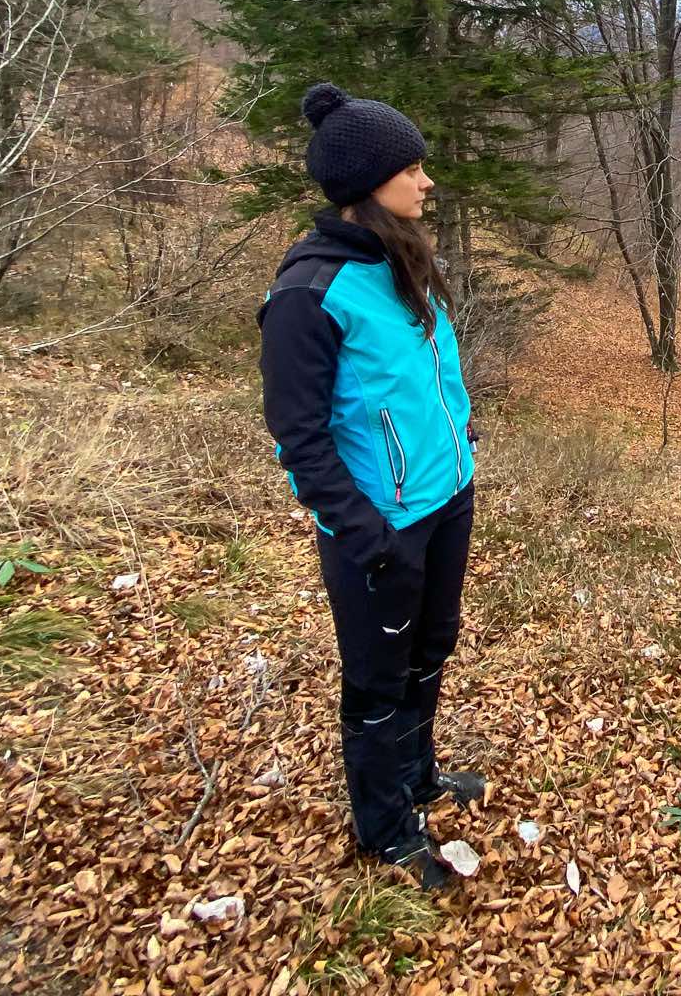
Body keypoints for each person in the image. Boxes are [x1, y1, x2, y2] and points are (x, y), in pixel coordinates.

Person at [257, 82, 485, 887]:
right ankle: (384, 831)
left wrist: (463, 443)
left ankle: (418, 780)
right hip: (379, 527)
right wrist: (362, 533)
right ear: (367, 185)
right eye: (412, 169)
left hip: (445, 499)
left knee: (432, 649)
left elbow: (434, 374)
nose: (427, 183)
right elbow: (298, 435)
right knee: (377, 683)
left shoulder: (400, 261)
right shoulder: (308, 292)